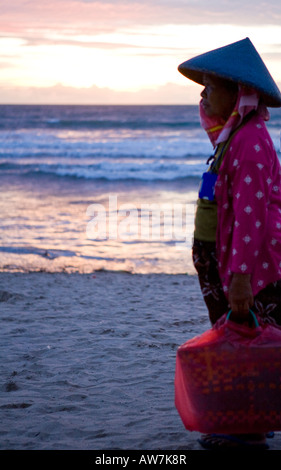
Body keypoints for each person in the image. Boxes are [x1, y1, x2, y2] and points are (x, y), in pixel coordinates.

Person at [178, 37, 281, 450]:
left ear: (238, 92)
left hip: (252, 268)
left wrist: (239, 276)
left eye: (211, 87)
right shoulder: (234, 137)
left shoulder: (251, 142)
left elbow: (252, 218)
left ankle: (248, 427)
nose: (203, 95)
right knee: (239, 340)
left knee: (247, 342)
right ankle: (248, 421)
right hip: (231, 262)